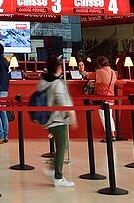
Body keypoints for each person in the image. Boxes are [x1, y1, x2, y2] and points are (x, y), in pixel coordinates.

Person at [38, 55, 77, 188]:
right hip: (58, 119)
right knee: (62, 147)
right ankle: (58, 177)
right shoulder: (57, 83)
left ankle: (52, 168)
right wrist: (72, 114)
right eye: (60, 65)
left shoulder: (44, 81)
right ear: (57, 67)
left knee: (62, 146)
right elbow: (62, 100)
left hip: (48, 119)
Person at [94, 56, 118, 141]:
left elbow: (95, 79)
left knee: (104, 117)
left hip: (102, 96)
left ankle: (108, 135)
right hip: (111, 96)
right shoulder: (112, 71)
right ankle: (113, 134)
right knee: (110, 116)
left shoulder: (100, 71)